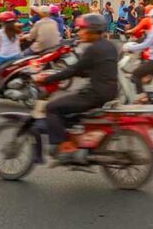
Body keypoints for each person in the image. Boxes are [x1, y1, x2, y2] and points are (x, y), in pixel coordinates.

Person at [34, 13, 117, 160]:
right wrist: (81, 73)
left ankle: (65, 146)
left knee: (51, 108)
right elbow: (95, 69)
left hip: (95, 94)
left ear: (92, 30)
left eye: (83, 29)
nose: (80, 32)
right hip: (109, 92)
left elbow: (74, 70)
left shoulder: (93, 49)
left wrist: (48, 79)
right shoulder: (109, 46)